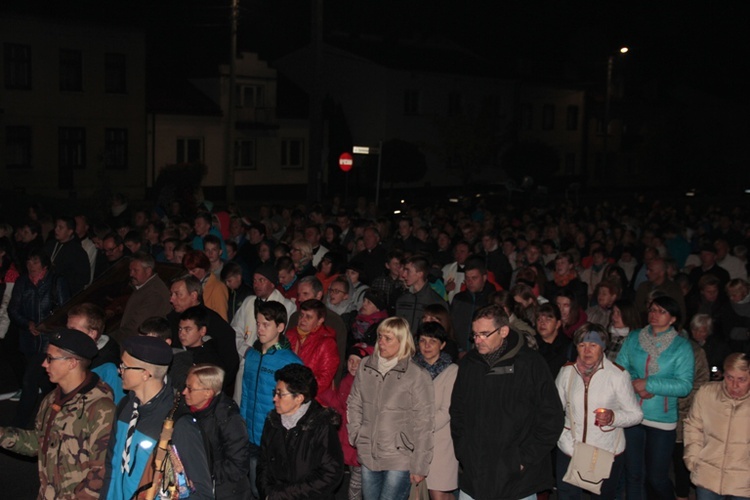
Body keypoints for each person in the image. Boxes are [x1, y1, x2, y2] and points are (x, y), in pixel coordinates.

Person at [450, 304, 564, 500]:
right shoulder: (469, 364)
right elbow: (458, 412)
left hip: (518, 480)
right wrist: (464, 452)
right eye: (475, 335)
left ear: (503, 331)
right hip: (475, 475)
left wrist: (522, 459)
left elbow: (551, 418)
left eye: (485, 334)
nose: (478, 341)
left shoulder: (530, 364)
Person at [0, 328, 116, 499]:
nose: (44, 364)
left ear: (72, 363)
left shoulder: (100, 409)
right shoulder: (52, 399)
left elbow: (100, 473)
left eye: (50, 359)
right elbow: (39, 443)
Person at [102, 336, 213, 499]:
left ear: (145, 374)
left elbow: (202, 493)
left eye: (125, 366)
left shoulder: (177, 423)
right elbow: (111, 467)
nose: (120, 370)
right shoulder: (125, 406)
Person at [615, 295, 694, 500]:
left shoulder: (681, 347)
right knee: (633, 475)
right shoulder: (634, 338)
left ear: (673, 319)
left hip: (662, 419)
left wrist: (650, 384)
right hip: (633, 413)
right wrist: (636, 384)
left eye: (662, 311)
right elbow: (620, 368)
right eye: (652, 310)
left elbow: (684, 385)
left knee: (657, 477)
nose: (654, 315)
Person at [347, 317, 435, 500]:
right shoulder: (365, 366)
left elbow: (424, 422)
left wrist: (420, 465)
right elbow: (354, 402)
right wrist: (356, 434)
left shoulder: (416, 375)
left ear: (402, 341)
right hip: (369, 453)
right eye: (380, 337)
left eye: (388, 339)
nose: (381, 342)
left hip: (399, 456)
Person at [554, 323, 644, 500]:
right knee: (567, 496)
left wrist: (613, 417)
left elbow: (636, 415)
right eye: (582, 345)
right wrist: (562, 436)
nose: (587, 350)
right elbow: (555, 410)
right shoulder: (566, 372)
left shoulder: (617, 375)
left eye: (593, 345)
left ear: (602, 347)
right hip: (570, 448)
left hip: (604, 451)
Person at [239, 300, 302, 499]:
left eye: (266, 324)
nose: (260, 329)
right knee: (251, 486)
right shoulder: (252, 356)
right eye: (258, 324)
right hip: (249, 433)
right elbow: (246, 392)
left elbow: (299, 405)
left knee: (268, 488)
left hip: (274, 437)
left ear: (280, 327)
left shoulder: (290, 362)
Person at [257, 363, 344, 499]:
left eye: (280, 394)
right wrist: (267, 493)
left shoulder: (321, 426)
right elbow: (263, 464)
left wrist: (283, 495)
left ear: (299, 398)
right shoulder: (272, 422)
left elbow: (330, 474)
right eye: (275, 393)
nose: (274, 399)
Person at [8, 249, 71, 427]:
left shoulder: (56, 282)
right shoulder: (23, 282)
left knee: (29, 381)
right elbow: (13, 309)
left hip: (49, 342)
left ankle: (19, 425)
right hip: (29, 341)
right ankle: (48, 419)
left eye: (35, 262)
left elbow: (65, 309)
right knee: (45, 382)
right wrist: (27, 323)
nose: (31, 266)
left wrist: (46, 326)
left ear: (44, 265)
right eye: (28, 262)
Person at [683, 352, 750, 500]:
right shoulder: (707, 393)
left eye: (742, 379)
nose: (734, 385)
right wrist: (693, 459)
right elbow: (693, 427)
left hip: (744, 483)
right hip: (708, 476)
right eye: (729, 377)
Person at [183, 364, 252, 500]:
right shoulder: (187, 411)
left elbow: (238, 466)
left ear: (208, 393)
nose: (184, 392)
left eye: (190, 389)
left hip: (225, 492)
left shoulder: (229, 419)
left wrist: (200, 471)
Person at [413, 322, 459, 500]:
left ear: (443, 344)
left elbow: (446, 410)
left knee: (438, 493)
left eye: (432, 341)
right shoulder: (412, 369)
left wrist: (420, 427)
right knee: (416, 493)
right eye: (422, 341)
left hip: (441, 442)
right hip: (415, 442)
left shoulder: (452, 370)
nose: (426, 346)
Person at [67, 303, 125, 404]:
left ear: (92, 333)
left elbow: (116, 406)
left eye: (74, 330)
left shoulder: (109, 366)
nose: (67, 335)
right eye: (68, 329)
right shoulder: (68, 353)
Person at [112, 252, 172, 342]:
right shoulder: (144, 287)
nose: (131, 274)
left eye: (135, 270)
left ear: (148, 271)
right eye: (130, 270)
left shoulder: (154, 293)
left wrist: (110, 338)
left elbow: (137, 326)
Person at [286, 299, 340, 398]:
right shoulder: (289, 335)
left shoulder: (327, 343)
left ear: (320, 320)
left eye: (309, 317)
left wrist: (300, 392)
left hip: (313, 398)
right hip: (287, 392)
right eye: (301, 315)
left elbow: (324, 379)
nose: (303, 320)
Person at [396, 255, 448, 333]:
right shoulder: (402, 299)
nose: (403, 275)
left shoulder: (436, 302)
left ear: (420, 274)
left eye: (408, 271)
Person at [183, 249, 229, 321]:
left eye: (194, 271)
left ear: (203, 268)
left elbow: (222, 318)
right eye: (188, 270)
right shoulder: (187, 284)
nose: (190, 274)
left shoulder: (218, 287)